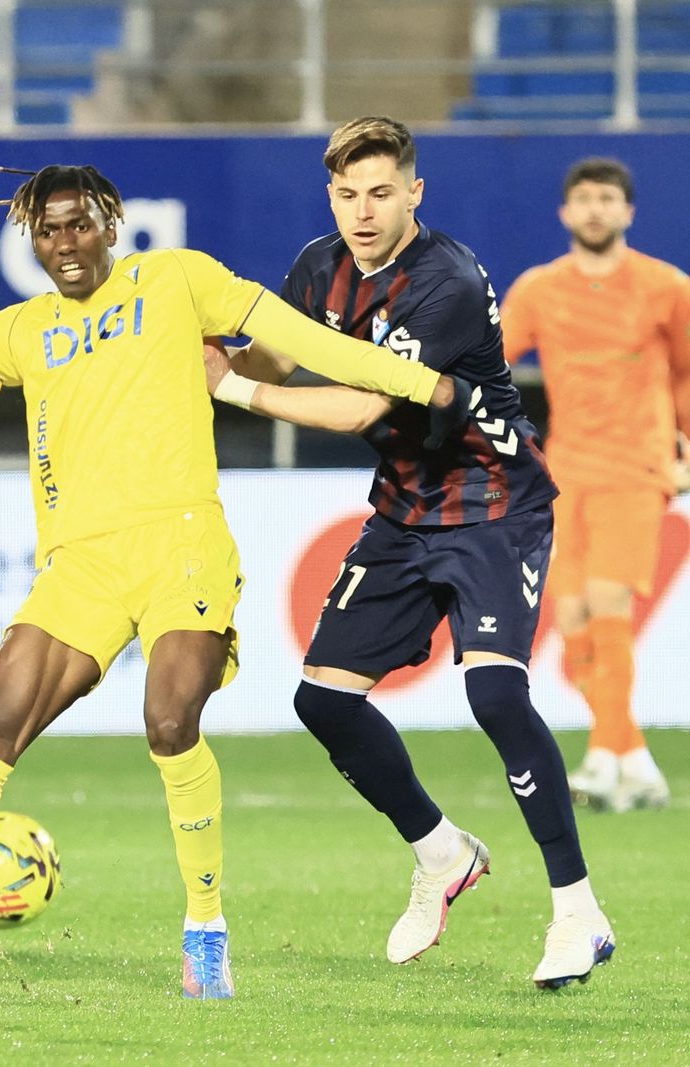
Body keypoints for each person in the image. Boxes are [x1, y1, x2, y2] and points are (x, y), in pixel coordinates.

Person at [0, 163, 463, 1002]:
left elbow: (309, 343)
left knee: (169, 719)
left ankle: (205, 929)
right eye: (47, 230)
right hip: (80, 564)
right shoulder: (18, 331)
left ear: (109, 224)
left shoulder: (177, 279)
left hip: (180, 544)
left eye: (78, 224)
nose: (64, 243)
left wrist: (424, 384)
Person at [206, 117, 612, 989]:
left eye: (381, 193)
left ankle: (579, 911)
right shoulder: (318, 265)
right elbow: (272, 357)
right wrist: (204, 358)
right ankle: (442, 851)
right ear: (330, 197)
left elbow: (361, 406)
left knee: (495, 693)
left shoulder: (446, 282)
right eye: (347, 194)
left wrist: (229, 386)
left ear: (415, 193)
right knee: (324, 701)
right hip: (404, 508)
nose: (363, 211)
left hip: (493, 502)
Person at [500, 157, 690, 813]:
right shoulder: (540, 289)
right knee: (572, 617)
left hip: (637, 465)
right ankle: (635, 759)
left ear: (628, 211)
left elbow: (688, 371)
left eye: (607, 199)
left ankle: (602, 759)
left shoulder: (666, 287)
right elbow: (492, 358)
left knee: (609, 603)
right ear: (565, 212)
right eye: (584, 198)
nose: (595, 209)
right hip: (565, 471)